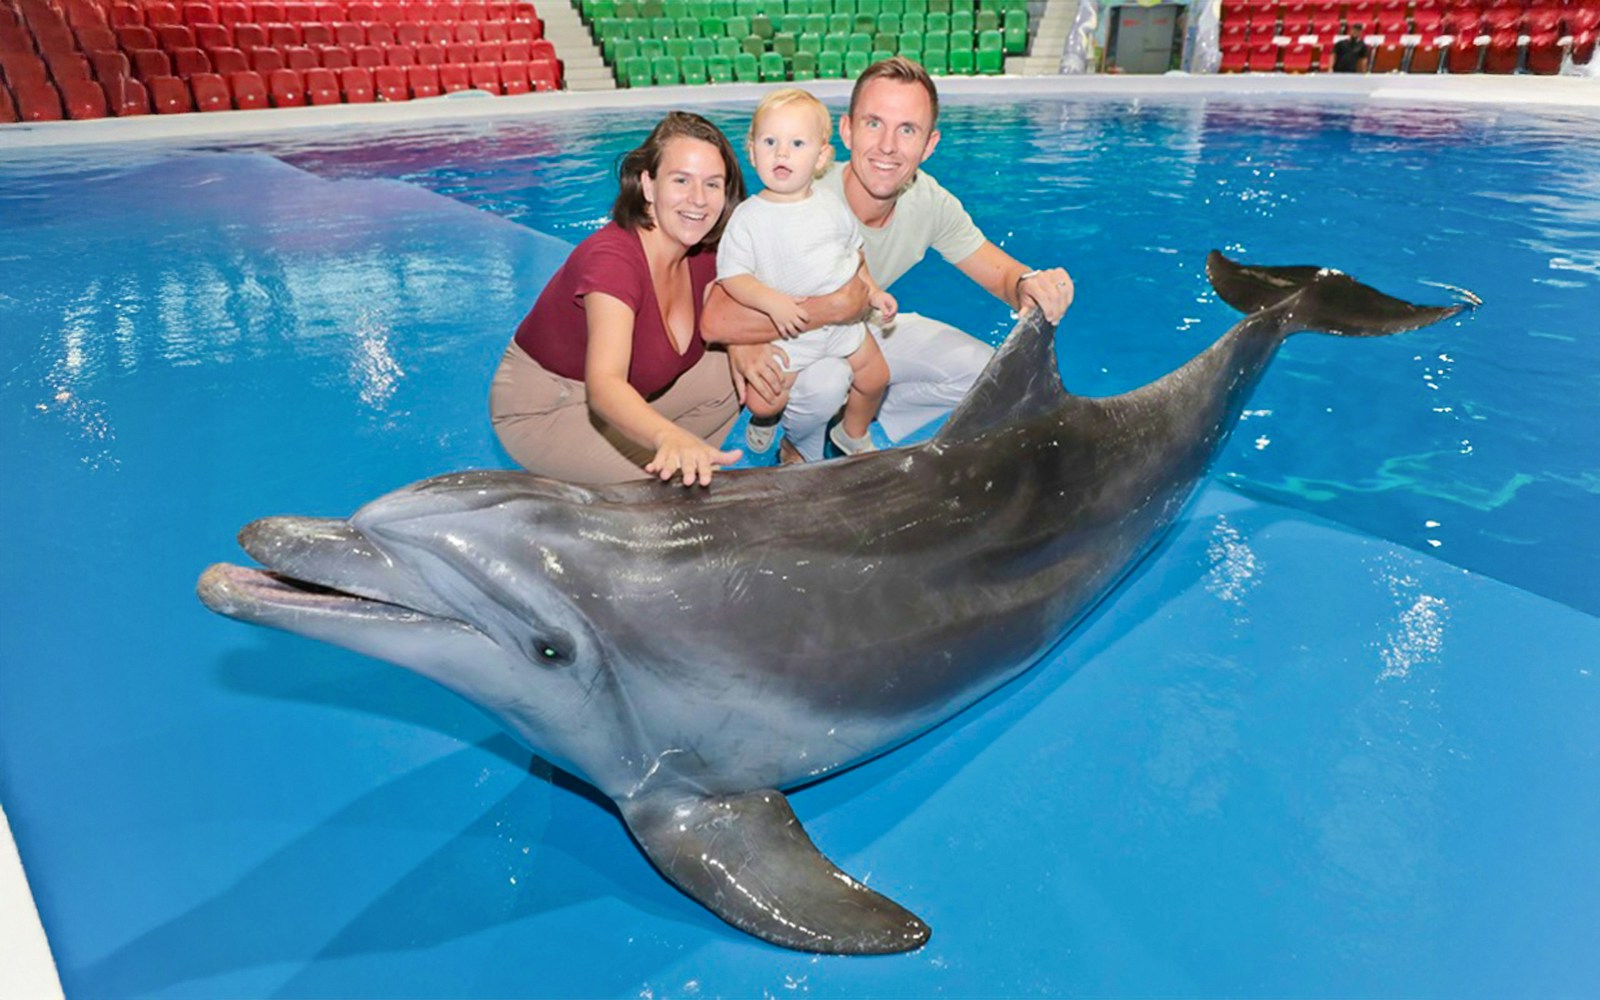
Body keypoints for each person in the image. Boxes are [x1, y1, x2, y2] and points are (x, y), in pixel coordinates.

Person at [702, 57, 1076, 464]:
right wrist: (743, 341)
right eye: (874, 123)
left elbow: (1002, 274)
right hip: (797, 342)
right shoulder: (798, 191)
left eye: (907, 130)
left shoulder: (928, 201)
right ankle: (798, 445)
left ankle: (855, 426)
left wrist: (1032, 283)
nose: (887, 146)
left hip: (860, 329)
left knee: (983, 372)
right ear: (846, 130)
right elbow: (718, 316)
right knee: (827, 381)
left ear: (929, 144)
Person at [488, 112, 748, 487]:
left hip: (637, 394)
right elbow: (606, 385)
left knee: (739, 370)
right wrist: (666, 437)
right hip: (550, 407)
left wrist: (747, 346)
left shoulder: (704, 250)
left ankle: (673, 469)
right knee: (667, 486)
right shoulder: (613, 260)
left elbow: (738, 312)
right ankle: (636, 479)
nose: (699, 200)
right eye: (681, 180)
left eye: (712, 184)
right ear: (648, 184)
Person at [717, 88, 896, 457]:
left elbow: (854, 254)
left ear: (822, 158)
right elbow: (733, 277)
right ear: (751, 151)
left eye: (797, 143)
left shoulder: (832, 206)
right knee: (763, 401)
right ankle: (767, 421)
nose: (782, 153)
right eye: (770, 141)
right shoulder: (748, 218)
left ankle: (853, 430)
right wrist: (773, 304)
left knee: (877, 377)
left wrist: (873, 292)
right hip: (788, 333)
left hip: (843, 326)